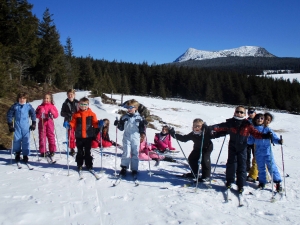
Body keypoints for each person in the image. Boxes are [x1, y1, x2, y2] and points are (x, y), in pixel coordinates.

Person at [211, 106, 272, 193]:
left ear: (244, 114)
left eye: (241, 112)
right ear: (235, 112)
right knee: (231, 164)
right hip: (232, 146)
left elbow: (256, 133)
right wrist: (209, 128)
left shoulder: (247, 124)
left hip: (243, 147)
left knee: (242, 166)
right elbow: (220, 127)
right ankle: (229, 181)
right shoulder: (231, 122)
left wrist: (266, 136)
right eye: (238, 112)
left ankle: (241, 184)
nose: (239, 113)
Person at [169, 118, 220, 182]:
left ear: (202, 126)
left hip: (207, 147)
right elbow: (184, 138)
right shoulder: (192, 134)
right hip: (197, 147)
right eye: (195, 126)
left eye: (198, 126)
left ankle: (206, 176)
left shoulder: (206, 132)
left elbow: (215, 134)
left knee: (204, 160)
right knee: (192, 158)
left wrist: (225, 132)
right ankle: (194, 173)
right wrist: (173, 134)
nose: (196, 127)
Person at [247, 112, 283, 191]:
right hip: (258, 152)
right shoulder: (254, 130)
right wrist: (246, 138)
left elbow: (274, 138)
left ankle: (277, 182)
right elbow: (250, 141)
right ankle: (262, 182)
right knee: (261, 168)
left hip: (267, 151)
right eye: (258, 118)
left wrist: (279, 141)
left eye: (261, 118)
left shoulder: (267, 129)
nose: (259, 120)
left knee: (272, 167)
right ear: (255, 120)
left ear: (264, 120)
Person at [114, 99, 147, 177]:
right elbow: (121, 128)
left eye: (131, 107)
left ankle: (134, 169)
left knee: (135, 152)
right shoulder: (124, 117)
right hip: (127, 137)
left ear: (136, 108)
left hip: (135, 137)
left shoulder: (139, 117)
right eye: (128, 107)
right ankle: (124, 167)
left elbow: (142, 128)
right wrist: (117, 124)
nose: (129, 109)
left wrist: (143, 130)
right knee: (126, 152)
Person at [66, 97, 99, 171]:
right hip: (79, 136)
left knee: (87, 151)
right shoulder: (76, 114)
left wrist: (99, 123)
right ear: (79, 105)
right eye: (81, 104)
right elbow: (73, 123)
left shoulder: (92, 114)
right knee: (80, 151)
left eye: (85, 104)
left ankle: (89, 164)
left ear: (88, 105)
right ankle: (79, 164)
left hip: (88, 136)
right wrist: (69, 124)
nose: (83, 106)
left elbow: (95, 123)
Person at [6, 92, 36, 163]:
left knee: (26, 141)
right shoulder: (15, 106)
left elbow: (33, 114)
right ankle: (17, 153)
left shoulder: (28, 106)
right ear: (18, 99)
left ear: (26, 99)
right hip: (17, 126)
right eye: (20, 98)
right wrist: (10, 125)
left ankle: (25, 155)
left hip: (26, 126)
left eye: (23, 98)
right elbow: (9, 115)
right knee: (17, 140)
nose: (22, 100)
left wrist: (33, 123)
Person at [60, 89, 79, 156]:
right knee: (71, 136)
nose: (70, 96)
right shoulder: (65, 103)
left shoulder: (77, 102)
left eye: (71, 94)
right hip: (69, 122)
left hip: (77, 121)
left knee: (78, 135)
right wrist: (68, 114)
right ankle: (72, 148)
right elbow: (62, 113)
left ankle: (79, 147)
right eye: (69, 94)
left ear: (74, 95)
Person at [246, 107, 256, 172]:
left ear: (255, 113)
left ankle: (255, 168)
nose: (250, 114)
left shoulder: (258, 120)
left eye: (252, 112)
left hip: (255, 141)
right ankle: (247, 167)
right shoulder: (246, 121)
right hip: (248, 140)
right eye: (249, 113)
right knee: (247, 154)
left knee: (255, 155)